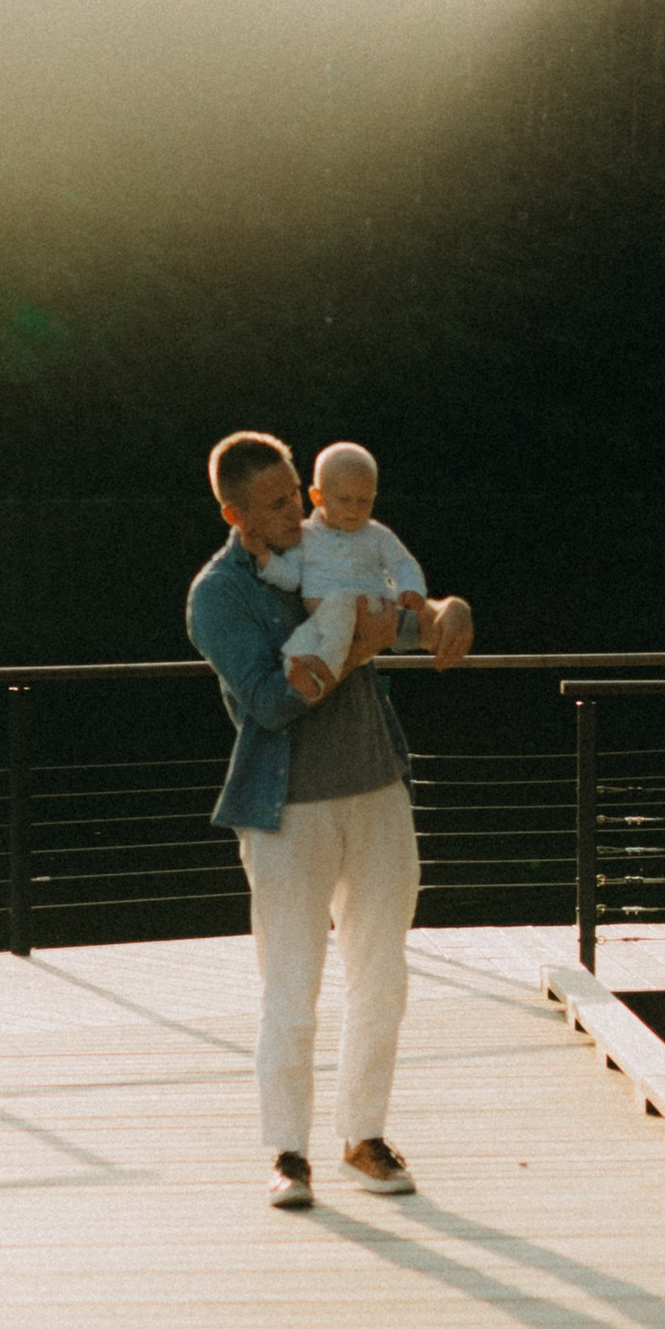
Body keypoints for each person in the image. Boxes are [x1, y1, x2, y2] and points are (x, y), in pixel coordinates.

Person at [185, 428, 473, 1208]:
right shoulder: (218, 595)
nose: (297, 513)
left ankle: (363, 1139)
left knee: (382, 977)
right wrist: (354, 652)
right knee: (291, 988)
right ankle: (288, 1154)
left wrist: (449, 611)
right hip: (286, 812)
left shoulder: (335, 542)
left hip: (377, 790)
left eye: (295, 494)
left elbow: (403, 619)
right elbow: (270, 702)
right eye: (277, 504)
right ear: (235, 514)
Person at [256, 441, 428, 678]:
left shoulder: (377, 535)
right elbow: (290, 576)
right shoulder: (304, 536)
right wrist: (265, 559)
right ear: (318, 497)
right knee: (302, 638)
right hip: (323, 621)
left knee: (342, 601)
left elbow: (402, 563)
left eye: (364, 501)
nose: (354, 510)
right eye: (345, 500)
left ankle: (326, 669)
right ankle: (298, 670)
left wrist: (411, 587)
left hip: (367, 610)